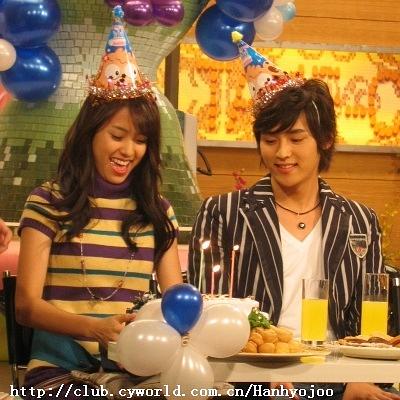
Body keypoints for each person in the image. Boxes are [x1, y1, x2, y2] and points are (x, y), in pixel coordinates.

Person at [188, 32, 400, 400]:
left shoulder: (358, 220)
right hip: (248, 378)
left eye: (296, 139)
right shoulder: (223, 213)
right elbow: (207, 312)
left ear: (325, 140)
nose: (282, 153)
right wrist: (260, 373)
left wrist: (357, 378)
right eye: (270, 140)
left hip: (339, 377)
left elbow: (367, 321)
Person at [15, 6, 182, 399]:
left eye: (140, 141)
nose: (129, 150)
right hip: (58, 371)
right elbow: (25, 306)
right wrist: (93, 328)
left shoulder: (157, 212)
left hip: (137, 372)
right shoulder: (47, 202)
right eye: (118, 135)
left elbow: (175, 304)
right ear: (91, 132)